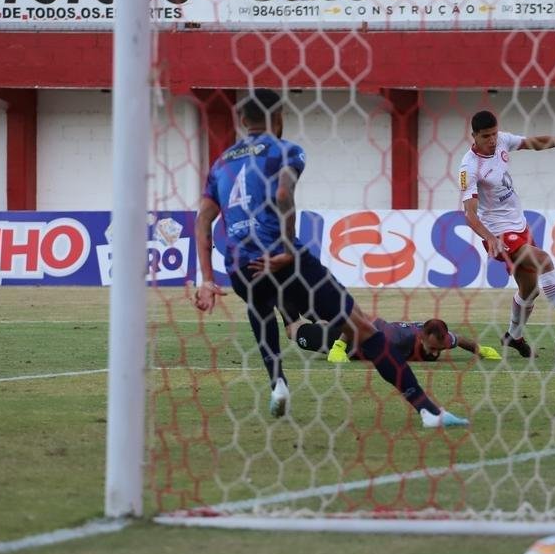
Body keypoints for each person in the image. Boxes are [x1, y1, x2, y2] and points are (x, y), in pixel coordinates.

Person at [193, 89, 469, 429]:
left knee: (261, 307)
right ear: (278, 118)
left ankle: (278, 382)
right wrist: (286, 248)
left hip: (240, 265)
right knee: (362, 328)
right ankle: (428, 411)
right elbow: (283, 193)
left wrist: (207, 279)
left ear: (242, 120)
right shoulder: (285, 150)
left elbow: (203, 220)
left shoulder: (221, 164)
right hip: (286, 259)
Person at [459, 109, 555, 358]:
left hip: (520, 226)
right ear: (474, 135)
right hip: (499, 235)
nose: (492, 140)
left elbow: (536, 142)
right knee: (543, 260)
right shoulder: (469, 167)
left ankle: (513, 336)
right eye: (485, 136)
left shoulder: (502, 140)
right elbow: (470, 214)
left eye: (494, 134)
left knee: (530, 290)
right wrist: (490, 238)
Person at [285, 315, 501, 363]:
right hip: (352, 340)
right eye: (433, 348)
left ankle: (319, 315)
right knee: (293, 331)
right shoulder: (396, 337)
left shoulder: (441, 339)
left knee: (322, 320)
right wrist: (339, 347)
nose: (436, 353)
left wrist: (481, 350)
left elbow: (460, 340)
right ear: (421, 337)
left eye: (439, 349)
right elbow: (360, 323)